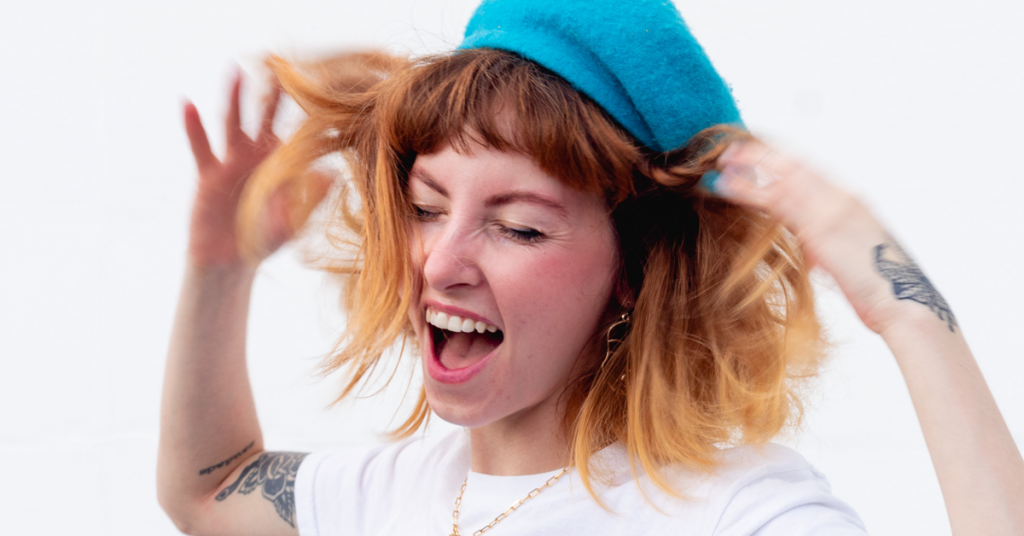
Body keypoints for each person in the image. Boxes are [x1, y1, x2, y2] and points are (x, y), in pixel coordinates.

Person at [157, 0, 1024, 534]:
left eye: (519, 228)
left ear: (632, 271)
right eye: (427, 208)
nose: (442, 262)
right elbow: (208, 491)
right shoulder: (386, 495)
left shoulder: (736, 513)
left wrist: (909, 313)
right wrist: (218, 269)